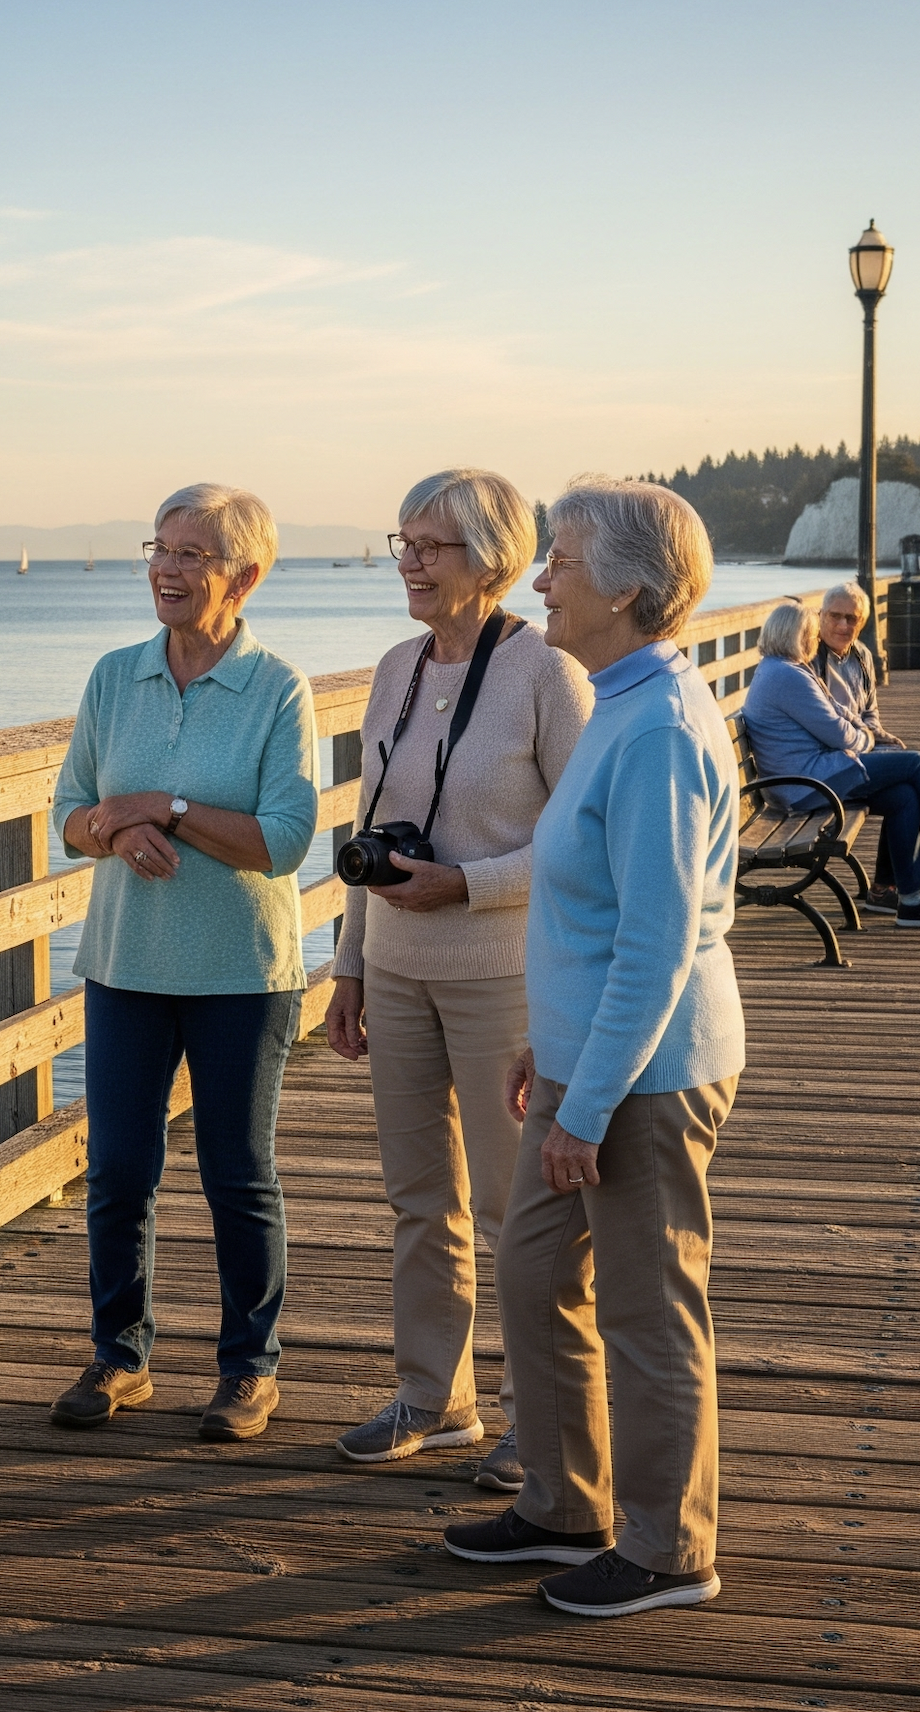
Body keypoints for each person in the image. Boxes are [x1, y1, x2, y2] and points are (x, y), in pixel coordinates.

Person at [439, 477, 742, 1617]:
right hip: (592, 1058)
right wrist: (544, 1042)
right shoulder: (618, 694)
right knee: (530, 1274)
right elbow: (588, 913)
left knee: (647, 1307)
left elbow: (659, 943)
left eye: (558, 560)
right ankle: (565, 1505)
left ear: (626, 588)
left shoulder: (659, 726)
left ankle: (669, 1551)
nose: (540, 578)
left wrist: (587, 1102)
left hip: (651, 1074)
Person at [322, 471, 590, 1487]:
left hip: (500, 978)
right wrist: (346, 965)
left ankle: (541, 1420)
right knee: (418, 1198)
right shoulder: (392, 667)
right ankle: (434, 1400)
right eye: (403, 541)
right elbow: (362, 829)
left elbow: (580, 844)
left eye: (430, 545)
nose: (409, 561)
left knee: (516, 1209)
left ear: (494, 557)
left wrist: (468, 885)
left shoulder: (544, 675)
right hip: (395, 973)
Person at [49, 483, 318, 1442]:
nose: (167, 566)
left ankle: (251, 1367)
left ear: (244, 576)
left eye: (194, 552)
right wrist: (113, 832)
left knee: (236, 1174)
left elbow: (285, 840)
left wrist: (164, 808)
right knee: (120, 1170)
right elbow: (70, 813)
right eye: (160, 547)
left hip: (241, 973)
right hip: (125, 963)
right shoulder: (115, 676)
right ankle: (119, 1357)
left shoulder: (277, 686)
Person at [741, 598, 920, 930]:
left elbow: (839, 712)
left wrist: (866, 733)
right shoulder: (785, 676)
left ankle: (912, 902)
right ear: (796, 635)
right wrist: (871, 741)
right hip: (805, 786)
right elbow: (841, 735)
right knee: (915, 763)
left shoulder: (790, 669)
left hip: (813, 775)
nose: (815, 639)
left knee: (903, 796)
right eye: (812, 633)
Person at [810, 583, 905, 911]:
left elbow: (869, 713)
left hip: (859, 750)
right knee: (912, 770)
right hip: (825, 765)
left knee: (904, 793)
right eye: (835, 616)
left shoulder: (863, 656)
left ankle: (886, 889)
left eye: (852, 619)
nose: (842, 625)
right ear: (820, 616)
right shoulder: (809, 660)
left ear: (862, 623)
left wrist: (879, 735)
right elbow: (825, 726)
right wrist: (870, 739)